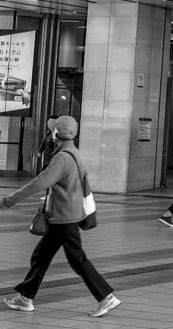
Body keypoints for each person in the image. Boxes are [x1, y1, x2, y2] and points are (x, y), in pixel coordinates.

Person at [1, 116, 121, 317]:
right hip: (64, 215)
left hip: (64, 217)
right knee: (41, 256)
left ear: (56, 134)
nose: (50, 134)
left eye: (52, 131)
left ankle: (106, 296)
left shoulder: (62, 158)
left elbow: (39, 183)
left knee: (77, 259)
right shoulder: (74, 152)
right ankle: (25, 298)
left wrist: (10, 200)